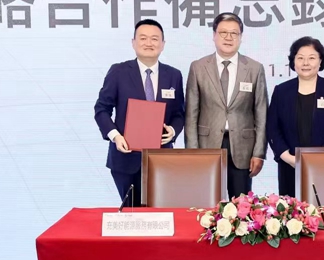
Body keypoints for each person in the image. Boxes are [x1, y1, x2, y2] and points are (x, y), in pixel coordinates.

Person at [94, 19, 185, 206]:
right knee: (131, 214)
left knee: (161, 214)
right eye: (143, 38)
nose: (149, 43)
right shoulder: (118, 72)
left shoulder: (173, 75)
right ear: (133, 43)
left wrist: (173, 131)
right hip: (126, 157)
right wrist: (115, 136)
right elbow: (101, 109)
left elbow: (179, 113)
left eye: (154, 39)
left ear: (163, 44)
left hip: (162, 158)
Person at [185, 12, 268, 199]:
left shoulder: (255, 68)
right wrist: (192, 152)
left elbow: (261, 114)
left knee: (241, 206)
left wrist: (259, 153)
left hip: (243, 148)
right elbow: (191, 114)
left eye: (234, 33)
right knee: (208, 204)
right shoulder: (198, 67)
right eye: (223, 32)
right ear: (214, 35)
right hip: (207, 146)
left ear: (241, 37)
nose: (228, 38)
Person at [267, 37, 324, 197]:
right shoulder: (281, 91)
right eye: (300, 58)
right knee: (291, 210)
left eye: (311, 58)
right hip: (290, 165)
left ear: (320, 61)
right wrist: (287, 157)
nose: (306, 63)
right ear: (293, 61)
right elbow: (272, 128)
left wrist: (320, 156)